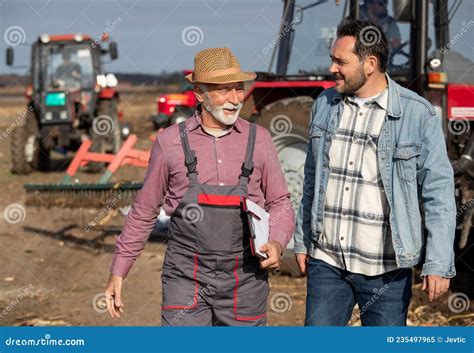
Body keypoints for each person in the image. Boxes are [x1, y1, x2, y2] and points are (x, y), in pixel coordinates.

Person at [105, 47, 295, 326]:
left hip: (245, 280)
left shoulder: (260, 139)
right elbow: (144, 211)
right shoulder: (169, 142)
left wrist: (277, 241)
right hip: (185, 278)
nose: (234, 100)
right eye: (223, 91)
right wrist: (118, 271)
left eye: (238, 89)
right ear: (199, 93)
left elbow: (280, 202)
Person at [294, 19, 456, 326]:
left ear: (370, 64)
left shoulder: (416, 114)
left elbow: (439, 191)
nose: (332, 69)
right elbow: (311, 181)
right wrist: (303, 240)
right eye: (332, 59)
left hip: (387, 272)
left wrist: (437, 261)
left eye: (340, 61)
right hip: (327, 263)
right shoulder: (324, 105)